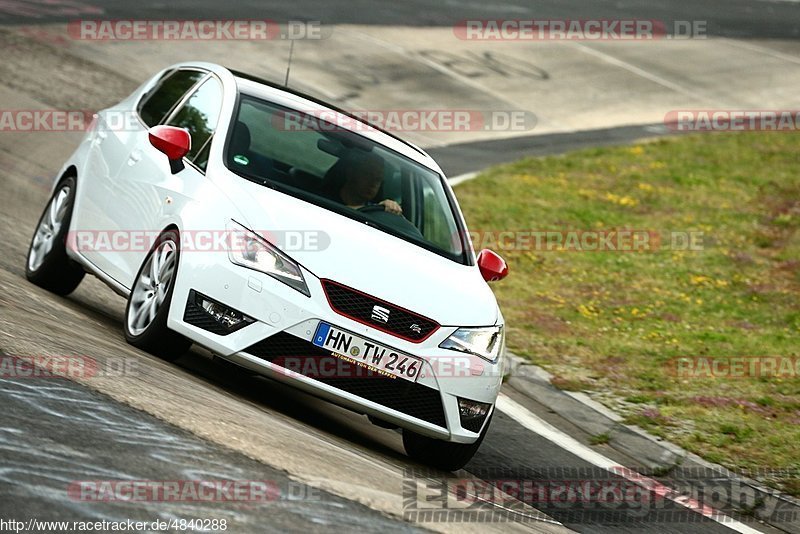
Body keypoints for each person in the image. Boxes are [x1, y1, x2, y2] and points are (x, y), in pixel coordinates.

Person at [335, 152, 402, 215]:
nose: (373, 183)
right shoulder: (326, 200)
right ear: (351, 173)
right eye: (368, 175)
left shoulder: (374, 212)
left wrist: (390, 208)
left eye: (378, 179)